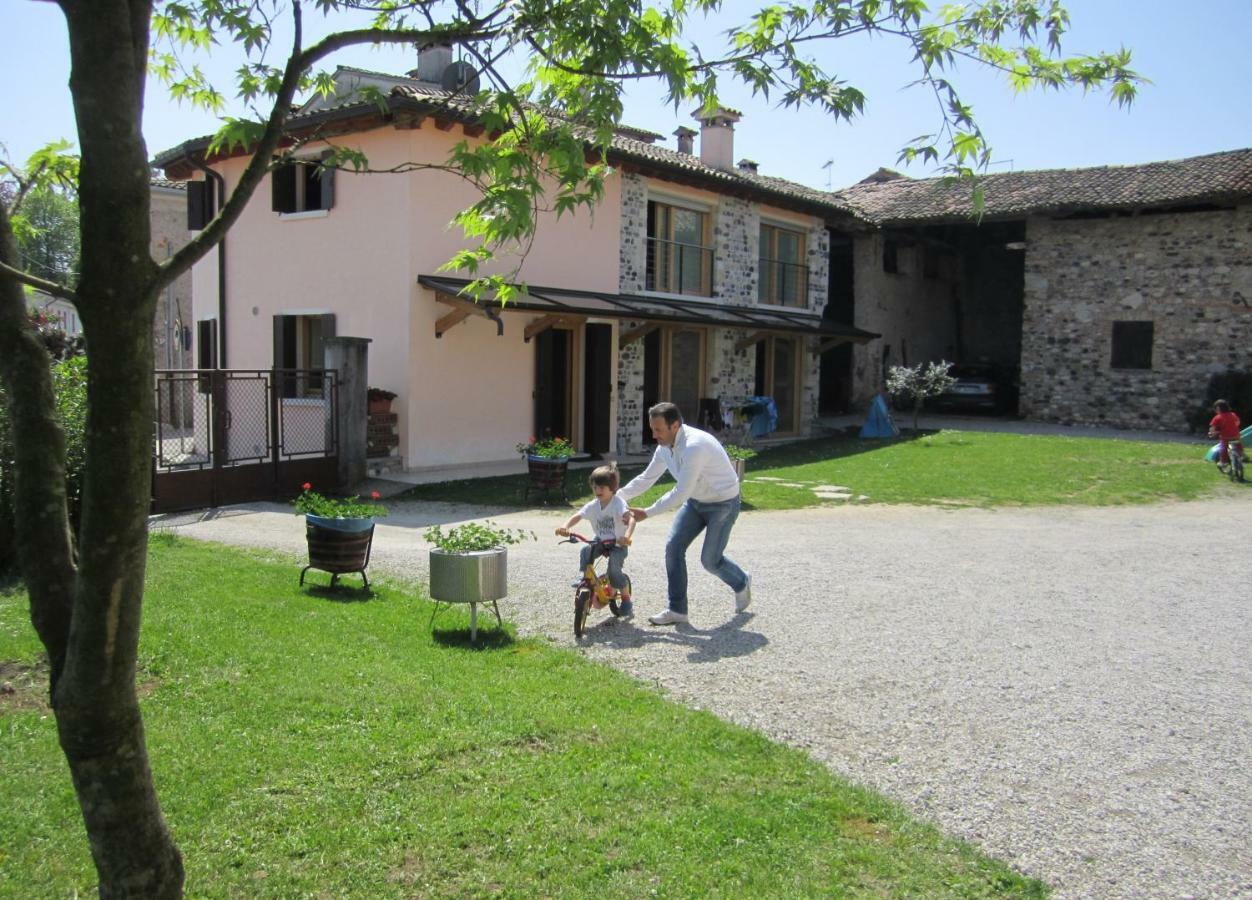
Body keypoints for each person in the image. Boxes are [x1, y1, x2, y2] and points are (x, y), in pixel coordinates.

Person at [619, 402, 750, 626]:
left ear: (675, 425)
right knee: (673, 548)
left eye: (658, 429)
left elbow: (680, 493)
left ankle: (741, 582)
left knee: (710, 561)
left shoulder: (694, 446)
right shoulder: (664, 447)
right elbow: (646, 479)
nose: (654, 435)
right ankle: (677, 610)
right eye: (652, 429)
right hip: (696, 501)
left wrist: (647, 512)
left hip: (723, 503)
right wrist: (615, 498)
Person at [556, 464, 635, 617]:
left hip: (618, 544)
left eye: (601, 488)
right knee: (586, 550)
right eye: (594, 487)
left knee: (614, 571)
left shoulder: (618, 504)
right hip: (601, 540)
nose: (597, 491)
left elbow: (631, 520)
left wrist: (627, 536)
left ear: (612, 488)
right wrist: (565, 526)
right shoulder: (593, 505)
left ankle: (626, 599)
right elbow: (578, 516)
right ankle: (585, 578)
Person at [1208, 399, 1244, 471]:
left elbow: (1213, 428)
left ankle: (1223, 462)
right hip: (1236, 436)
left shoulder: (1218, 417)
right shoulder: (1233, 415)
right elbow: (1238, 422)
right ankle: (1241, 456)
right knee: (1239, 445)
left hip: (1225, 437)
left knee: (1223, 448)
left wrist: (1211, 433)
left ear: (1218, 408)